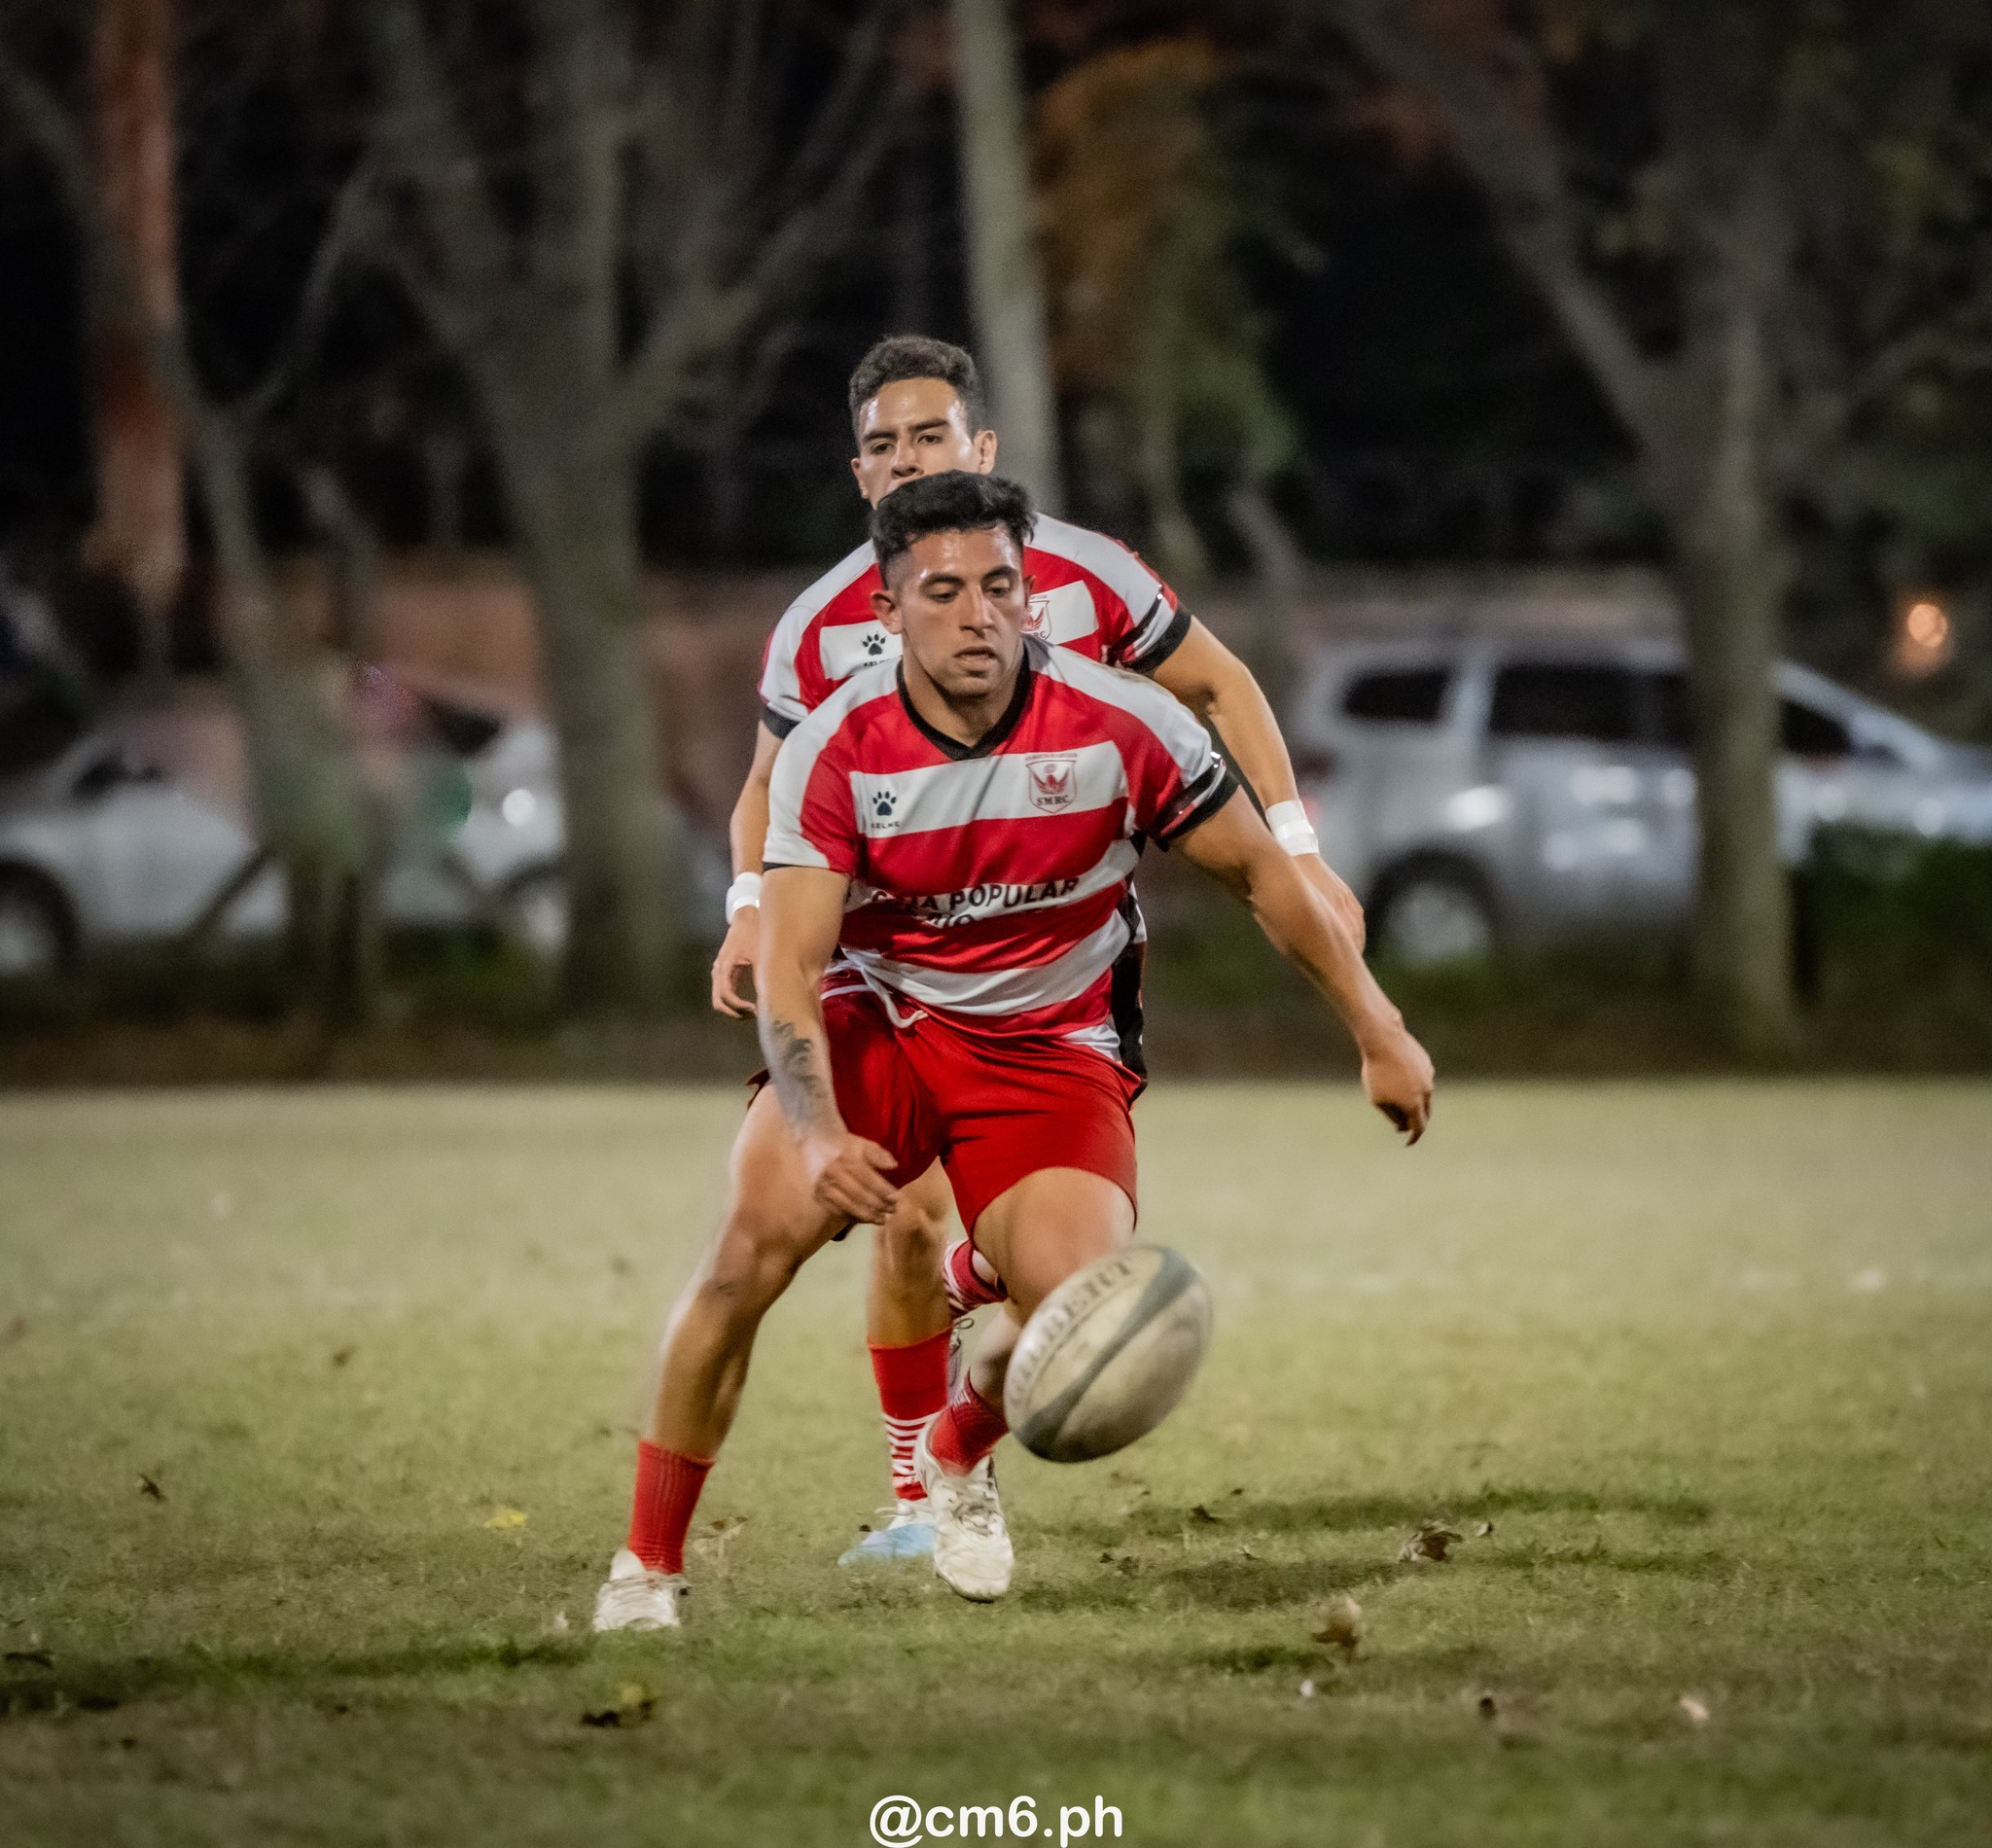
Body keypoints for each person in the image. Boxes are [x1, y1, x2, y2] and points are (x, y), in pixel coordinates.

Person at [592, 472, 1432, 1628]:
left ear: (1031, 597)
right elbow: (789, 968)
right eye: (941, 592)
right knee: (742, 1261)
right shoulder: (835, 750)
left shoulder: (1124, 724)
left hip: (1043, 1043)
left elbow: (1255, 873)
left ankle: (954, 1448)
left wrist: (1376, 1029)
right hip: (874, 1019)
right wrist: (814, 1124)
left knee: (1079, 1308)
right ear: (886, 617)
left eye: (1000, 586)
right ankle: (645, 1569)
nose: (977, 613)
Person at [712, 335, 1365, 1566]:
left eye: (931, 437)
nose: (911, 461)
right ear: (858, 473)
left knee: (1029, 1275)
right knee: (899, 1216)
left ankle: (961, 1420)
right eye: (886, 445)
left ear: (983, 449)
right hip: (881, 960)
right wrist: (751, 899)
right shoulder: (816, 629)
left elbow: (1220, 684)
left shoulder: (1082, 576)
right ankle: (920, 1496)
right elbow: (766, 782)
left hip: (1054, 965)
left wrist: (1295, 843)